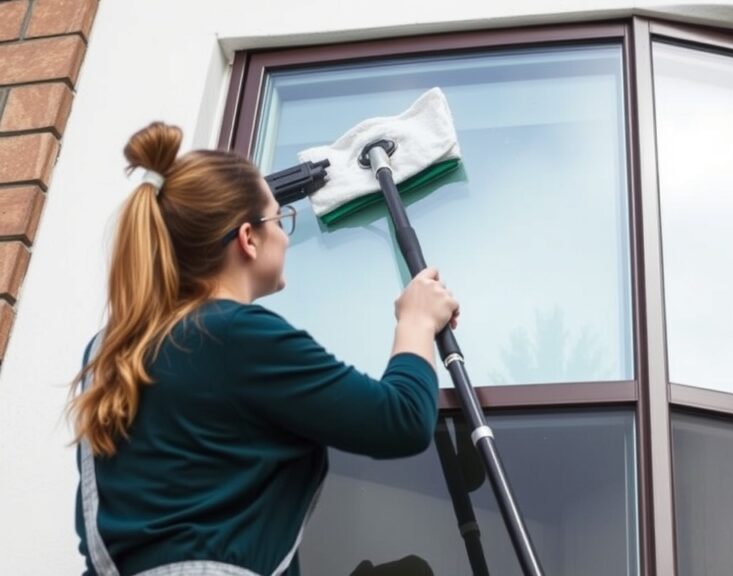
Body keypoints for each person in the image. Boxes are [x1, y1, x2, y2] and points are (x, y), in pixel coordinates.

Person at [69, 122, 458, 576]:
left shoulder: (108, 351)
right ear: (248, 238)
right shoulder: (235, 335)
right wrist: (416, 321)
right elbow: (401, 420)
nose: (287, 236)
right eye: (279, 219)